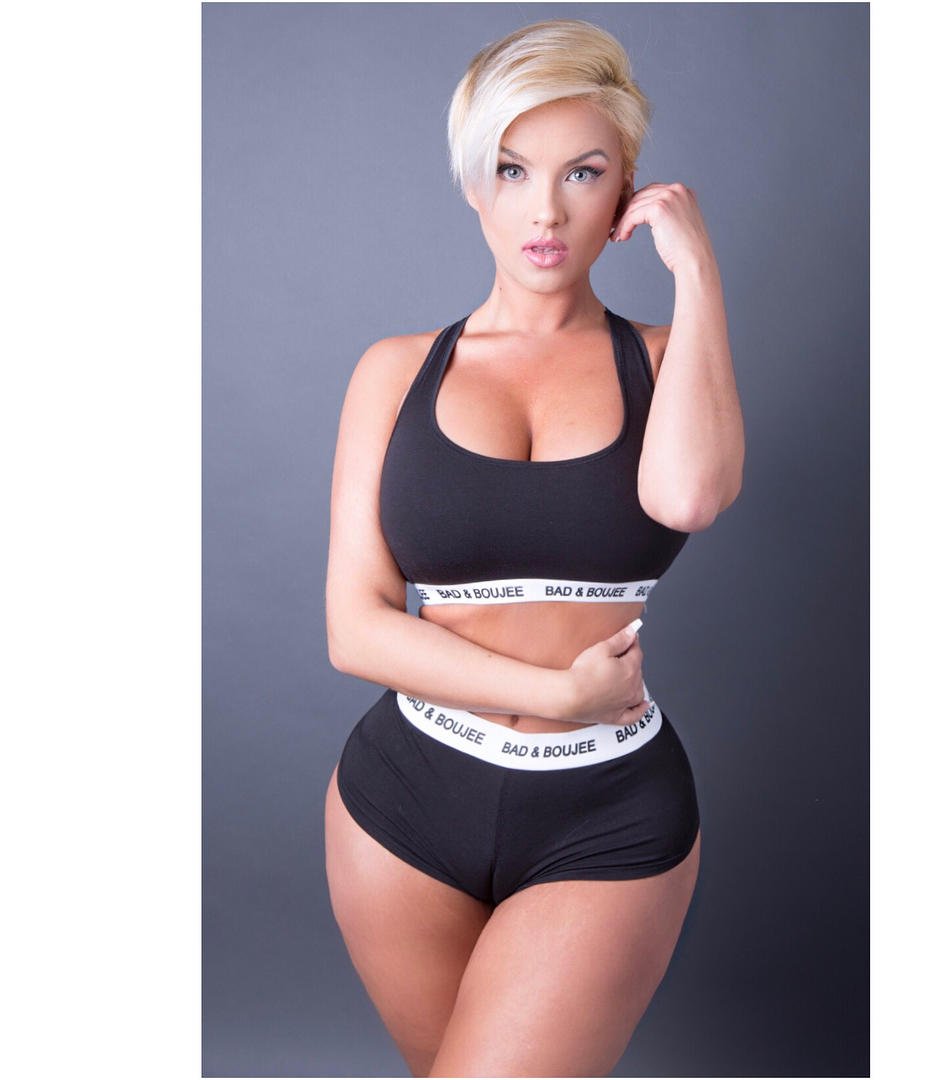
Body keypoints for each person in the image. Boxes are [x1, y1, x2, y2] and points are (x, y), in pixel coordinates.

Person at [323, 18, 744, 1078]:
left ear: (625, 192)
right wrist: (558, 692)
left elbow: (689, 495)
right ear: (476, 185)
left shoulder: (665, 360)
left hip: (605, 808)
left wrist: (697, 273)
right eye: (513, 170)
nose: (546, 211)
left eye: (582, 173)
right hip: (404, 799)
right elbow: (354, 628)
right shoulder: (395, 372)